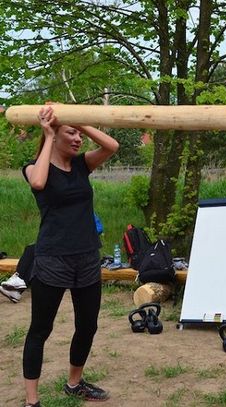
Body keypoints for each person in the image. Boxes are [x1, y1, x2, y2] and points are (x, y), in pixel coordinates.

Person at [22, 105, 119, 407]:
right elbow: (38, 183)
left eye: (79, 134)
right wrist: (48, 133)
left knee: (87, 325)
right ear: (54, 134)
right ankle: (31, 401)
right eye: (72, 133)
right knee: (41, 329)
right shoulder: (33, 167)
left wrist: (81, 121)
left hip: (87, 257)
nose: (78, 139)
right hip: (53, 259)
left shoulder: (81, 166)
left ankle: (74, 383)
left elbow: (111, 146)